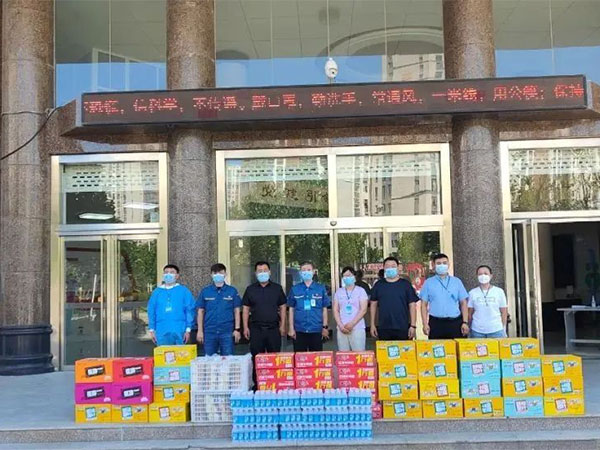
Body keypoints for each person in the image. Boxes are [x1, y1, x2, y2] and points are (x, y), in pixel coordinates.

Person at [420, 253, 469, 339]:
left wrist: (465, 322)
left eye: (444, 263)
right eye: (438, 263)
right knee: (437, 347)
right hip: (436, 323)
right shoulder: (428, 283)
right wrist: (424, 324)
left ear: (448, 264)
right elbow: (424, 305)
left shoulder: (456, 281)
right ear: (433, 265)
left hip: (455, 322)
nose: (442, 265)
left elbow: (463, 303)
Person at [242, 261, 287, 356]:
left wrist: (283, 325)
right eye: (260, 271)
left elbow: (283, 307)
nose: (262, 273)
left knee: (274, 357)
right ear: (255, 273)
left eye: (265, 270)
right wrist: (245, 327)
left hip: (273, 329)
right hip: (256, 329)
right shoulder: (250, 289)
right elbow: (245, 309)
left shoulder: (277, 288)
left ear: (269, 272)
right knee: (256, 358)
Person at [196, 263, 242, 355]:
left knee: (228, 359)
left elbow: (237, 311)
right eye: (215, 273)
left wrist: (237, 329)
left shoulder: (232, 291)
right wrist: (200, 331)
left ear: (225, 274)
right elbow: (200, 312)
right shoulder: (205, 291)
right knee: (209, 359)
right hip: (209, 331)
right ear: (211, 275)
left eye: (221, 272)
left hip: (227, 331)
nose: (218, 275)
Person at [370, 256, 418, 340]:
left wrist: (413, 325)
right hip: (384, 327)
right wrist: (372, 324)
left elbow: (412, 305)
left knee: (404, 348)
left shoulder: (405, 285)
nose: (390, 268)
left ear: (398, 268)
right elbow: (373, 305)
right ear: (384, 268)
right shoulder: (379, 285)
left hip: (403, 327)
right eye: (387, 266)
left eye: (393, 266)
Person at [287, 261, 331, 352]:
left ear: (313, 272)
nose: (306, 272)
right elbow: (291, 309)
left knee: (316, 358)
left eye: (309, 270)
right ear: (300, 272)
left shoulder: (320, 288)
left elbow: (324, 309)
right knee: (300, 358)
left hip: (316, 329)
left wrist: (325, 327)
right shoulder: (295, 289)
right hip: (299, 330)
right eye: (303, 270)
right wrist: (291, 328)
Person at [147, 264, 195, 346]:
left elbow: (190, 310)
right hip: (161, 329)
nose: (168, 274)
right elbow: (151, 311)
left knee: (181, 353)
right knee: (164, 353)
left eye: (172, 272)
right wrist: (152, 329)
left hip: (180, 329)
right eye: (166, 272)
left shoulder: (184, 291)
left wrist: (188, 329)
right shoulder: (157, 292)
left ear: (177, 276)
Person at [333, 266, 368, 351]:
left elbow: (363, 309)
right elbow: (335, 310)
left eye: (349, 275)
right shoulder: (339, 292)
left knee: (358, 354)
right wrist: (340, 326)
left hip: (357, 327)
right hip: (342, 328)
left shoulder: (361, 291)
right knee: (343, 355)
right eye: (345, 276)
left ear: (354, 276)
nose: (347, 278)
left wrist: (352, 324)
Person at [468, 265, 508, 338]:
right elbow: (470, 313)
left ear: (491, 275)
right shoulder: (472, 293)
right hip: (477, 331)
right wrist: (469, 328)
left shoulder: (499, 291)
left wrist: (503, 329)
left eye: (486, 273)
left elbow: (504, 312)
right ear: (477, 276)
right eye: (480, 274)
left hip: (496, 330)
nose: (483, 276)